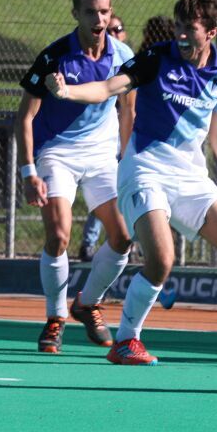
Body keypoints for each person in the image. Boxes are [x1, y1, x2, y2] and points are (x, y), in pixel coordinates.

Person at [46, 0, 217, 368]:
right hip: (144, 168)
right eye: (177, 26)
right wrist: (67, 91)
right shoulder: (156, 58)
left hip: (190, 176)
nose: (179, 35)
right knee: (162, 258)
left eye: (188, 28)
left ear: (210, 32)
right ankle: (127, 342)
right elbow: (111, 87)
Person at [16, 0, 136, 354]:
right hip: (57, 153)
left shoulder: (123, 55)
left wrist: (129, 161)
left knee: (122, 237)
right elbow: (24, 116)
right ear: (76, 14)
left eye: (104, 11)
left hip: (102, 154)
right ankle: (55, 318)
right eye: (90, 12)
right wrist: (28, 171)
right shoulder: (54, 57)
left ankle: (87, 303)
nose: (98, 19)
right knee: (60, 235)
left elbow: (128, 110)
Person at [75, 13, 129, 262]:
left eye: (118, 29)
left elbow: (131, 107)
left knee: (121, 194)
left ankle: (126, 245)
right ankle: (89, 245)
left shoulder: (126, 57)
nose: (114, 33)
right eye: (110, 29)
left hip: (120, 137)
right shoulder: (93, 59)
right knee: (105, 198)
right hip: (94, 141)